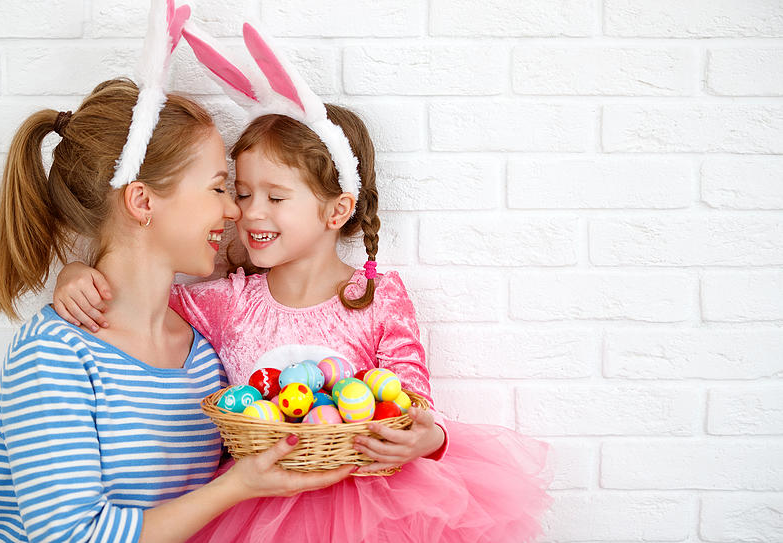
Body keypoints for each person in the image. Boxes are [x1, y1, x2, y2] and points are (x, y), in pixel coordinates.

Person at [52, 19, 551, 540]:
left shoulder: (377, 298)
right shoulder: (228, 302)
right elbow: (140, 296)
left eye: (276, 197)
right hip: (261, 504)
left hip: (374, 505)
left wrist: (431, 439)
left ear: (337, 210)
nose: (249, 213)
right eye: (241, 193)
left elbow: (412, 396)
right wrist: (77, 272)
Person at [0, 42, 355, 543]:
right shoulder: (55, 352)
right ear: (142, 201)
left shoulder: (204, 354)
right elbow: (70, 536)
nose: (234, 212)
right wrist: (238, 486)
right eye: (218, 189)